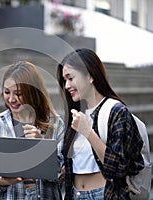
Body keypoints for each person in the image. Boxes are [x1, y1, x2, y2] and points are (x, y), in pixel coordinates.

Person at [57, 48, 144, 199]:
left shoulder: (117, 112)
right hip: (75, 194)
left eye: (70, 78)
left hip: (104, 194)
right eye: (65, 80)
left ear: (90, 76)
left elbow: (118, 169)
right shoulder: (76, 114)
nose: (67, 86)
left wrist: (88, 132)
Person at [0, 61, 64, 199]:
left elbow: (61, 175)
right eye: (7, 92)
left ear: (32, 92)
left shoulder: (55, 124)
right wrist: (1, 181)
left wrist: (42, 146)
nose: (12, 99)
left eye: (19, 93)